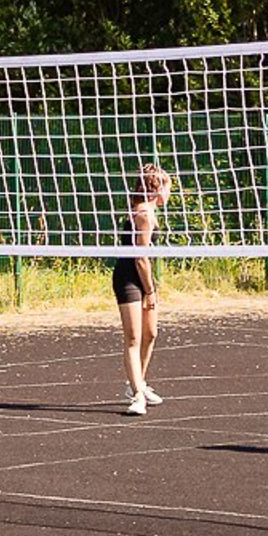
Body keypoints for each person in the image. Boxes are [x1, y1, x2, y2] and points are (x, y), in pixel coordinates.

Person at [113, 164, 173, 416]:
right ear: (156, 188)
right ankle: (137, 395)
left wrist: (151, 288)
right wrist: (150, 291)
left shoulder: (151, 211)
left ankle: (137, 383)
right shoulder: (144, 214)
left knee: (151, 333)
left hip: (145, 279)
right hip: (130, 279)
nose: (170, 193)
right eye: (168, 187)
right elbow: (140, 258)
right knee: (134, 337)